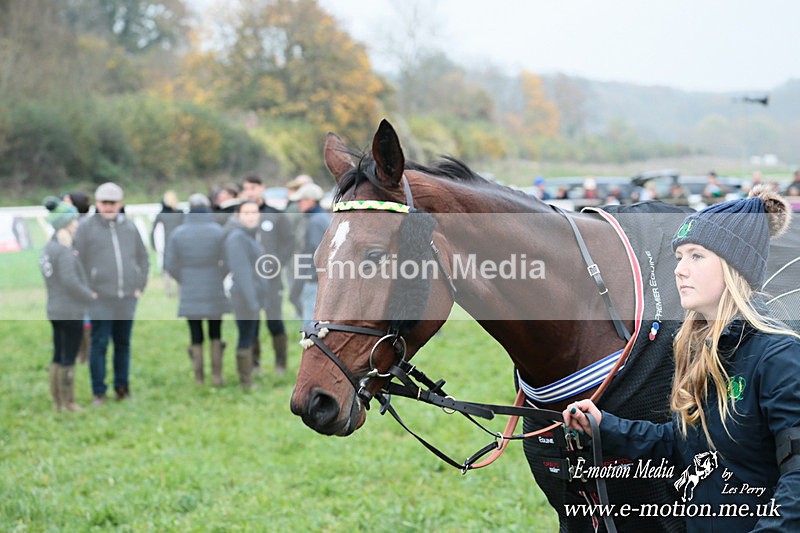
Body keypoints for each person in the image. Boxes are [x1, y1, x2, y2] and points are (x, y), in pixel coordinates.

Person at [563, 186, 800, 531]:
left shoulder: (779, 356)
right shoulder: (699, 349)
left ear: (735, 267)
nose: (679, 270)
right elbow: (682, 444)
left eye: (697, 256)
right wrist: (604, 427)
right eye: (678, 258)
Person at [73, 182, 149, 405]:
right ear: (97, 203)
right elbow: (77, 262)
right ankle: (99, 391)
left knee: (123, 343)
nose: (108, 207)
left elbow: (143, 258)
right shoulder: (87, 228)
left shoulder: (129, 227)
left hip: (126, 296)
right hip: (100, 298)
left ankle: (122, 387)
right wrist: (87, 290)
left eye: (112, 203)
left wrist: (139, 285)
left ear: (120, 203)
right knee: (99, 344)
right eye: (104, 203)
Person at [165, 193, 229, 386]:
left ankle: (199, 378)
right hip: (213, 285)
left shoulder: (178, 232)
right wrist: (219, 275)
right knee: (216, 332)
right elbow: (227, 260)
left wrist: (184, 278)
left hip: (190, 287)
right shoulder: (218, 231)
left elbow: (170, 264)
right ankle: (217, 376)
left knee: (195, 332)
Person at [40, 197, 97, 411]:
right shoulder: (63, 251)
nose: (76, 224)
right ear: (63, 224)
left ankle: (57, 401)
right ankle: (68, 401)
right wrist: (89, 296)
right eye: (73, 221)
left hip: (55, 309)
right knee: (68, 356)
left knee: (58, 353)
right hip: (69, 310)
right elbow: (70, 281)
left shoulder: (48, 248)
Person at [241, 175, 294, 375]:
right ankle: (254, 364)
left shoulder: (275, 215)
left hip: (271, 280)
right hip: (250, 279)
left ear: (262, 188)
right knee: (251, 323)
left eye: (253, 187)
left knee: (274, 320)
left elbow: (289, 242)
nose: (250, 191)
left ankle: (281, 364)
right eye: (246, 188)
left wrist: (276, 263)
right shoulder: (241, 215)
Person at [222, 200, 270, 389]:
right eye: (246, 213)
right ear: (238, 215)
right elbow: (242, 273)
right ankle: (246, 381)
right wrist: (252, 301)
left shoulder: (249, 235)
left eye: (254, 212)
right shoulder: (237, 238)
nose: (251, 216)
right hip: (243, 296)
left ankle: (250, 373)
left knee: (251, 334)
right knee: (245, 335)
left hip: (253, 294)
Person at [288, 183, 331, 323]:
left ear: (311, 200)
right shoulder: (323, 217)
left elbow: (316, 253)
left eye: (300, 200)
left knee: (310, 325)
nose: (298, 204)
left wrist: (304, 278)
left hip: (314, 281)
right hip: (320, 279)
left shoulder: (315, 222)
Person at [150, 190, 183, 297]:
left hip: (167, 244)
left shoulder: (161, 215)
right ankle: (179, 290)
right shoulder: (180, 213)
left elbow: (153, 230)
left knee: (166, 268)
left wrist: (154, 245)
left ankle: (169, 291)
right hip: (179, 244)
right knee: (180, 266)